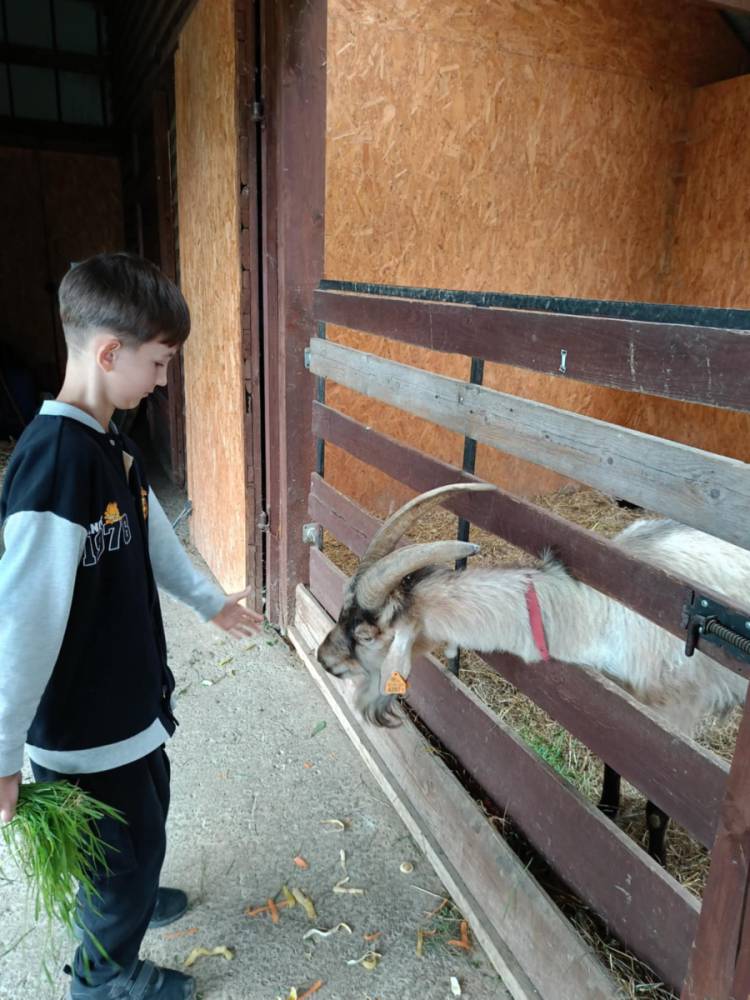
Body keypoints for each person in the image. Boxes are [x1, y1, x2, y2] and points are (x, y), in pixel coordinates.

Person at [0, 253, 264, 1000]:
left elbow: (153, 539)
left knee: (144, 827)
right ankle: (103, 978)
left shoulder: (110, 445)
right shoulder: (55, 467)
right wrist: (4, 751)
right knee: (119, 860)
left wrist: (210, 602)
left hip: (128, 708)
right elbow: (22, 622)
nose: (163, 380)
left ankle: (134, 895)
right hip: (83, 728)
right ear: (110, 353)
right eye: (159, 363)